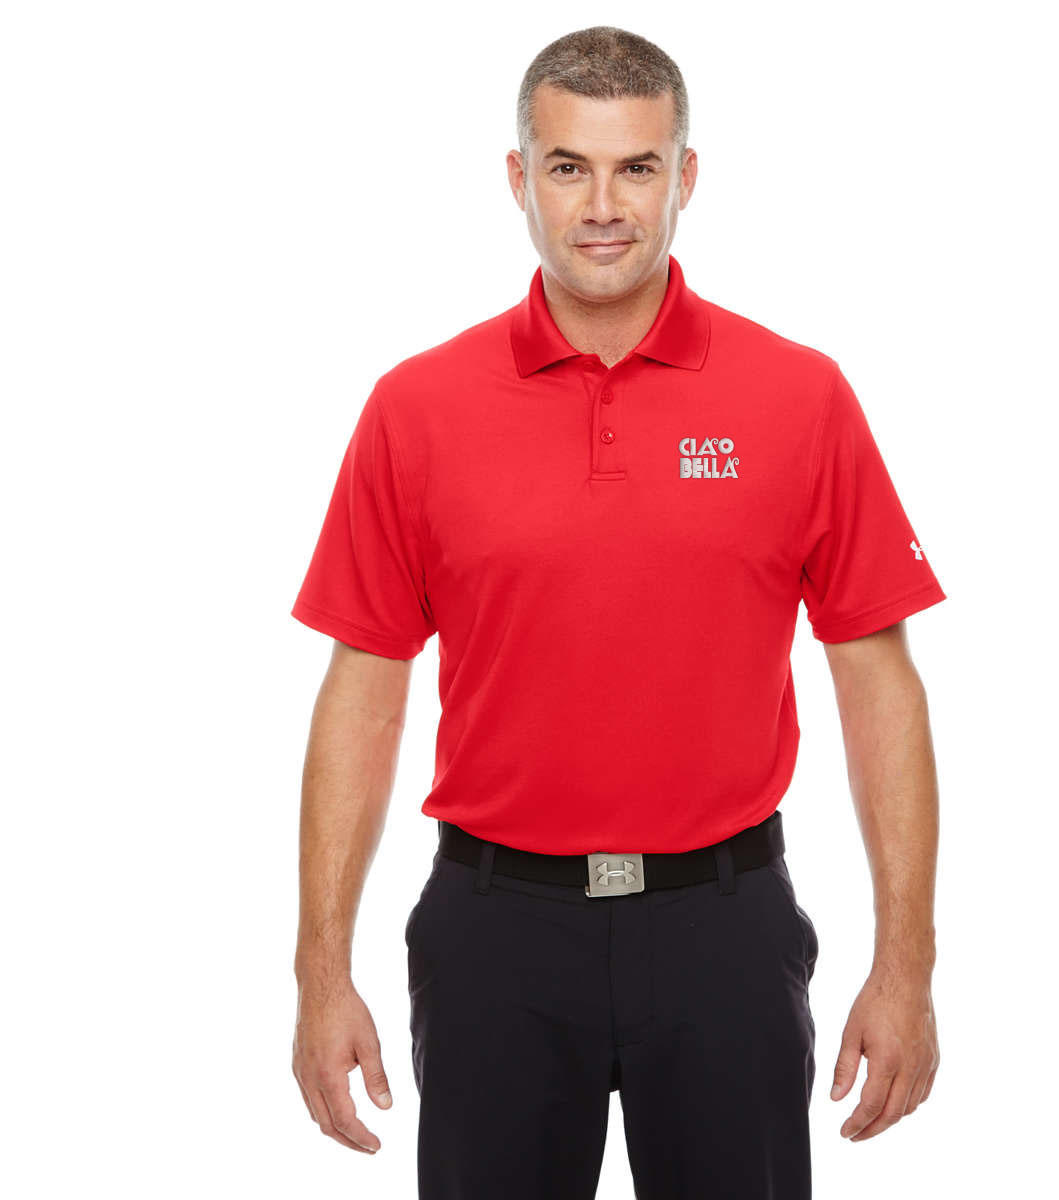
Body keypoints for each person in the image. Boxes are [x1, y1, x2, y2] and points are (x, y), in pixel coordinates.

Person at [289, 24, 944, 1200]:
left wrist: (908, 964)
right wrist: (318, 972)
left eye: (636, 167)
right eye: (568, 167)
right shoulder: (416, 408)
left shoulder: (799, 397)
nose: (602, 206)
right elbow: (363, 695)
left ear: (686, 176)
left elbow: (878, 685)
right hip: (494, 932)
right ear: (518, 178)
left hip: (724, 928)